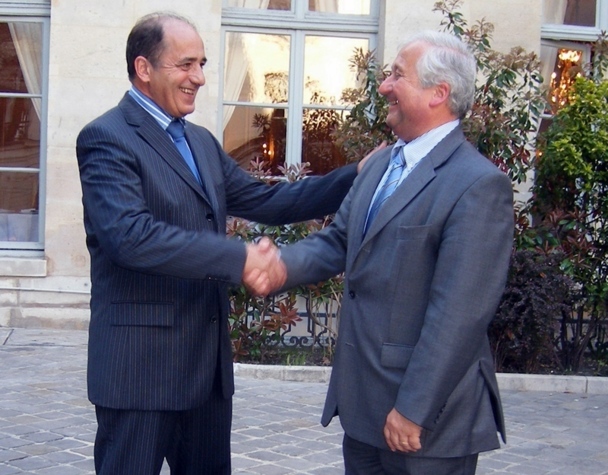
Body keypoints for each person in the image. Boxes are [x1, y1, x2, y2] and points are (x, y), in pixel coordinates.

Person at [75, 11, 372, 475]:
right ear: (144, 68)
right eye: (186, 64)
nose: (199, 78)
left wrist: (355, 175)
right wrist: (241, 257)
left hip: (207, 376)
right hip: (140, 374)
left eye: (203, 64)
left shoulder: (201, 142)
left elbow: (270, 201)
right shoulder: (106, 138)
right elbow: (130, 237)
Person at [253, 31, 514, 474]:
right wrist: (279, 267)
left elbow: (459, 314)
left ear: (439, 93)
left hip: (426, 425)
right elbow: (340, 242)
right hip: (363, 409)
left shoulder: (477, 184)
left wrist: (415, 409)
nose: (384, 86)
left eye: (397, 75)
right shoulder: (380, 163)